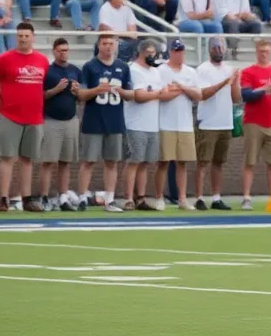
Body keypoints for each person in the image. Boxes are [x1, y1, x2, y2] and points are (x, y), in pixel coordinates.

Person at [0, 22, 50, 212]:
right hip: (10, 116)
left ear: (33, 37)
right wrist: (0, 103)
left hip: (34, 117)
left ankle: (27, 198)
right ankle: (4, 199)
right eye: (20, 35)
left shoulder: (42, 60)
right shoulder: (5, 59)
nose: (23, 39)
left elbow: (42, 86)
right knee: (7, 158)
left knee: (28, 159)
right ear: (16, 37)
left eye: (26, 36)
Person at [74, 35, 132, 212]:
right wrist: (97, 90)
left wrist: (122, 91)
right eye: (104, 43)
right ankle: (83, 197)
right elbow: (81, 95)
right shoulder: (90, 67)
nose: (108, 47)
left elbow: (131, 95)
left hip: (115, 120)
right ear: (98, 45)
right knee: (88, 161)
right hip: (94, 120)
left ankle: (110, 199)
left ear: (115, 46)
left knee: (112, 162)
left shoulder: (122, 67)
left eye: (111, 43)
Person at [239, 40, 271, 210]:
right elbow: (246, 95)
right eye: (261, 51)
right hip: (253, 122)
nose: (264, 54)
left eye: (267, 51)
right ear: (256, 52)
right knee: (250, 161)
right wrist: (263, 89)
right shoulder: (248, 72)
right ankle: (246, 197)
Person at [122, 39, 172, 210]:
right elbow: (139, 96)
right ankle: (128, 198)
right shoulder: (134, 70)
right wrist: (157, 93)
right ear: (141, 52)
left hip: (152, 124)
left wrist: (160, 93)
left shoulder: (155, 72)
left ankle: (140, 197)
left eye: (154, 53)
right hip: (136, 124)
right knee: (134, 161)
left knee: (145, 163)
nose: (152, 56)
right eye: (149, 53)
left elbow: (161, 93)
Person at [194, 37, 241, 210]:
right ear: (210, 50)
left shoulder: (229, 69)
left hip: (225, 121)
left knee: (219, 162)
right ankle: (199, 197)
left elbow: (236, 98)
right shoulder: (202, 69)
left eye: (221, 48)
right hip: (208, 122)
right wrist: (225, 82)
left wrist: (235, 82)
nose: (219, 51)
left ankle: (216, 197)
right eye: (216, 48)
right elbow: (204, 94)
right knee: (203, 161)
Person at [157, 39, 202, 210]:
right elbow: (162, 94)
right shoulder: (160, 71)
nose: (179, 54)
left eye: (182, 51)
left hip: (185, 124)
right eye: (176, 51)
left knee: (183, 162)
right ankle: (159, 196)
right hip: (165, 123)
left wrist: (181, 88)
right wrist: (181, 91)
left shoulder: (190, 71)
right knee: (164, 162)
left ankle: (182, 198)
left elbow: (198, 94)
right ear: (170, 52)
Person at [38, 38, 81, 211]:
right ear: (54, 51)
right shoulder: (47, 71)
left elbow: (81, 98)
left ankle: (63, 196)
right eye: (60, 50)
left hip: (71, 120)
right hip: (51, 120)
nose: (64, 53)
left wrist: (77, 91)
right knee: (48, 161)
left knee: (65, 161)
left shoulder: (75, 70)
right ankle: (45, 197)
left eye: (66, 50)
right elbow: (39, 96)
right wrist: (56, 89)